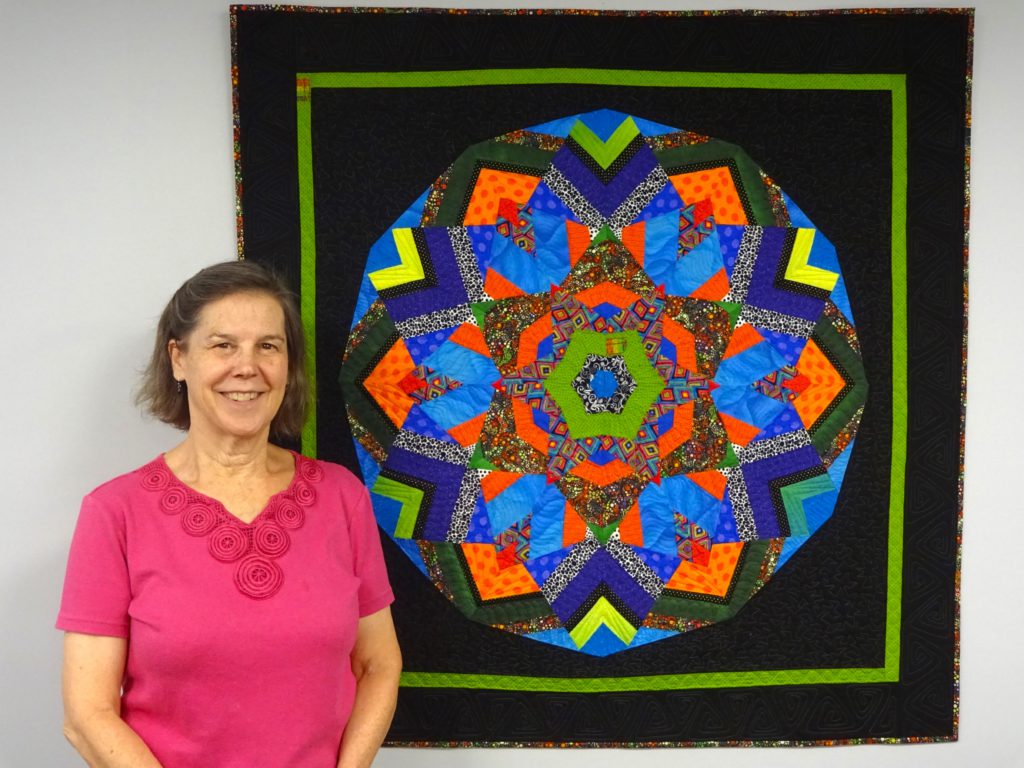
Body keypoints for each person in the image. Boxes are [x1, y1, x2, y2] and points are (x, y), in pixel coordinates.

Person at [57, 261, 401, 767]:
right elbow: (87, 714)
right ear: (178, 358)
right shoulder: (115, 513)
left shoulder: (341, 498)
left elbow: (378, 663)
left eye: (268, 346)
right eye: (223, 345)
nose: (248, 367)